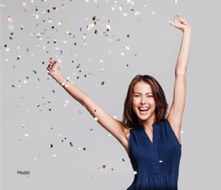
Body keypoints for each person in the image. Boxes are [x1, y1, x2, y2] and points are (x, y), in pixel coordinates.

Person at [47, 14, 191, 190]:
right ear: (131, 101)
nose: (143, 101)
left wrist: (187, 32)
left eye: (149, 96)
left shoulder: (172, 126)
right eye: (137, 95)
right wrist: (57, 75)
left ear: (157, 100)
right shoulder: (127, 134)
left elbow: (180, 74)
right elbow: (87, 102)